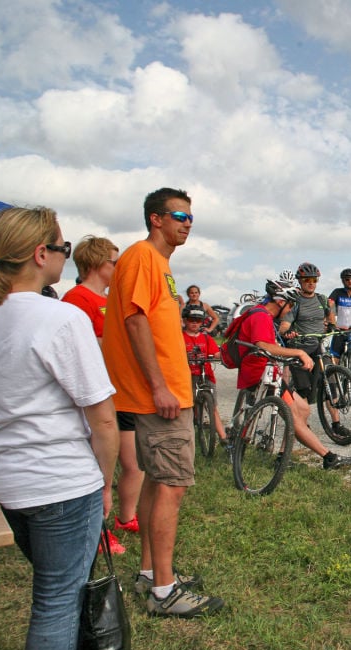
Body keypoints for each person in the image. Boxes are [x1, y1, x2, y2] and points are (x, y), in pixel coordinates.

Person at [0, 206, 120, 650]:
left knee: (52, 590)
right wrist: (105, 484)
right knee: (58, 598)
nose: (64, 257)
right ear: (41, 253)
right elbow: (103, 419)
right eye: (62, 249)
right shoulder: (60, 317)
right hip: (60, 479)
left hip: (8, 482)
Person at [102, 187, 223, 617]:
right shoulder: (141, 256)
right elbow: (134, 321)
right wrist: (157, 386)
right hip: (160, 398)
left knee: (158, 481)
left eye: (191, 217)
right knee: (172, 485)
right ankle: (164, 592)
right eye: (179, 215)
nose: (187, 222)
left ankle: (153, 574)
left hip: (167, 394)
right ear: (156, 218)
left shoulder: (160, 265)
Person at [63, 235, 143, 548]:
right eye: (115, 261)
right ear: (96, 264)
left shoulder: (110, 300)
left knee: (133, 463)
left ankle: (127, 516)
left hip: (119, 391)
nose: (119, 266)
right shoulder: (77, 299)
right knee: (98, 466)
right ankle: (96, 528)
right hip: (95, 395)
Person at [237, 278, 351, 470]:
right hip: (262, 377)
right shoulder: (261, 316)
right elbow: (263, 345)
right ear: (279, 301)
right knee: (294, 416)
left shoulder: (266, 317)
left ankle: (282, 456)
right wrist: (298, 352)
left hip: (267, 374)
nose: (290, 310)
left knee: (304, 409)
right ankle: (329, 458)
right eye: (290, 304)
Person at [278, 262, 348, 438]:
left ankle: (336, 424)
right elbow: (284, 325)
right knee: (305, 390)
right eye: (307, 280)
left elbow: (329, 312)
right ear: (300, 281)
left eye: (314, 280)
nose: (311, 283)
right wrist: (287, 332)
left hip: (318, 345)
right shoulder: (295, 301)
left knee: (330, 384)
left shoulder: (322, 299)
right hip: (299, 347)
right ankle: (302, 424)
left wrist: (331, 324)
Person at [182, 306, 227, 442]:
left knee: (212, 406)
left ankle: (224, 438)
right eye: (191, 320)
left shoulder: (206, 338)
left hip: (205, 374)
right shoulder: (180, 337)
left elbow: (216, 353)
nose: (195, 323)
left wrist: (225, 354)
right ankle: (187, 437)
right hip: (187, 376)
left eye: (198, 320)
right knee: (187, 407)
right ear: (185, 321)